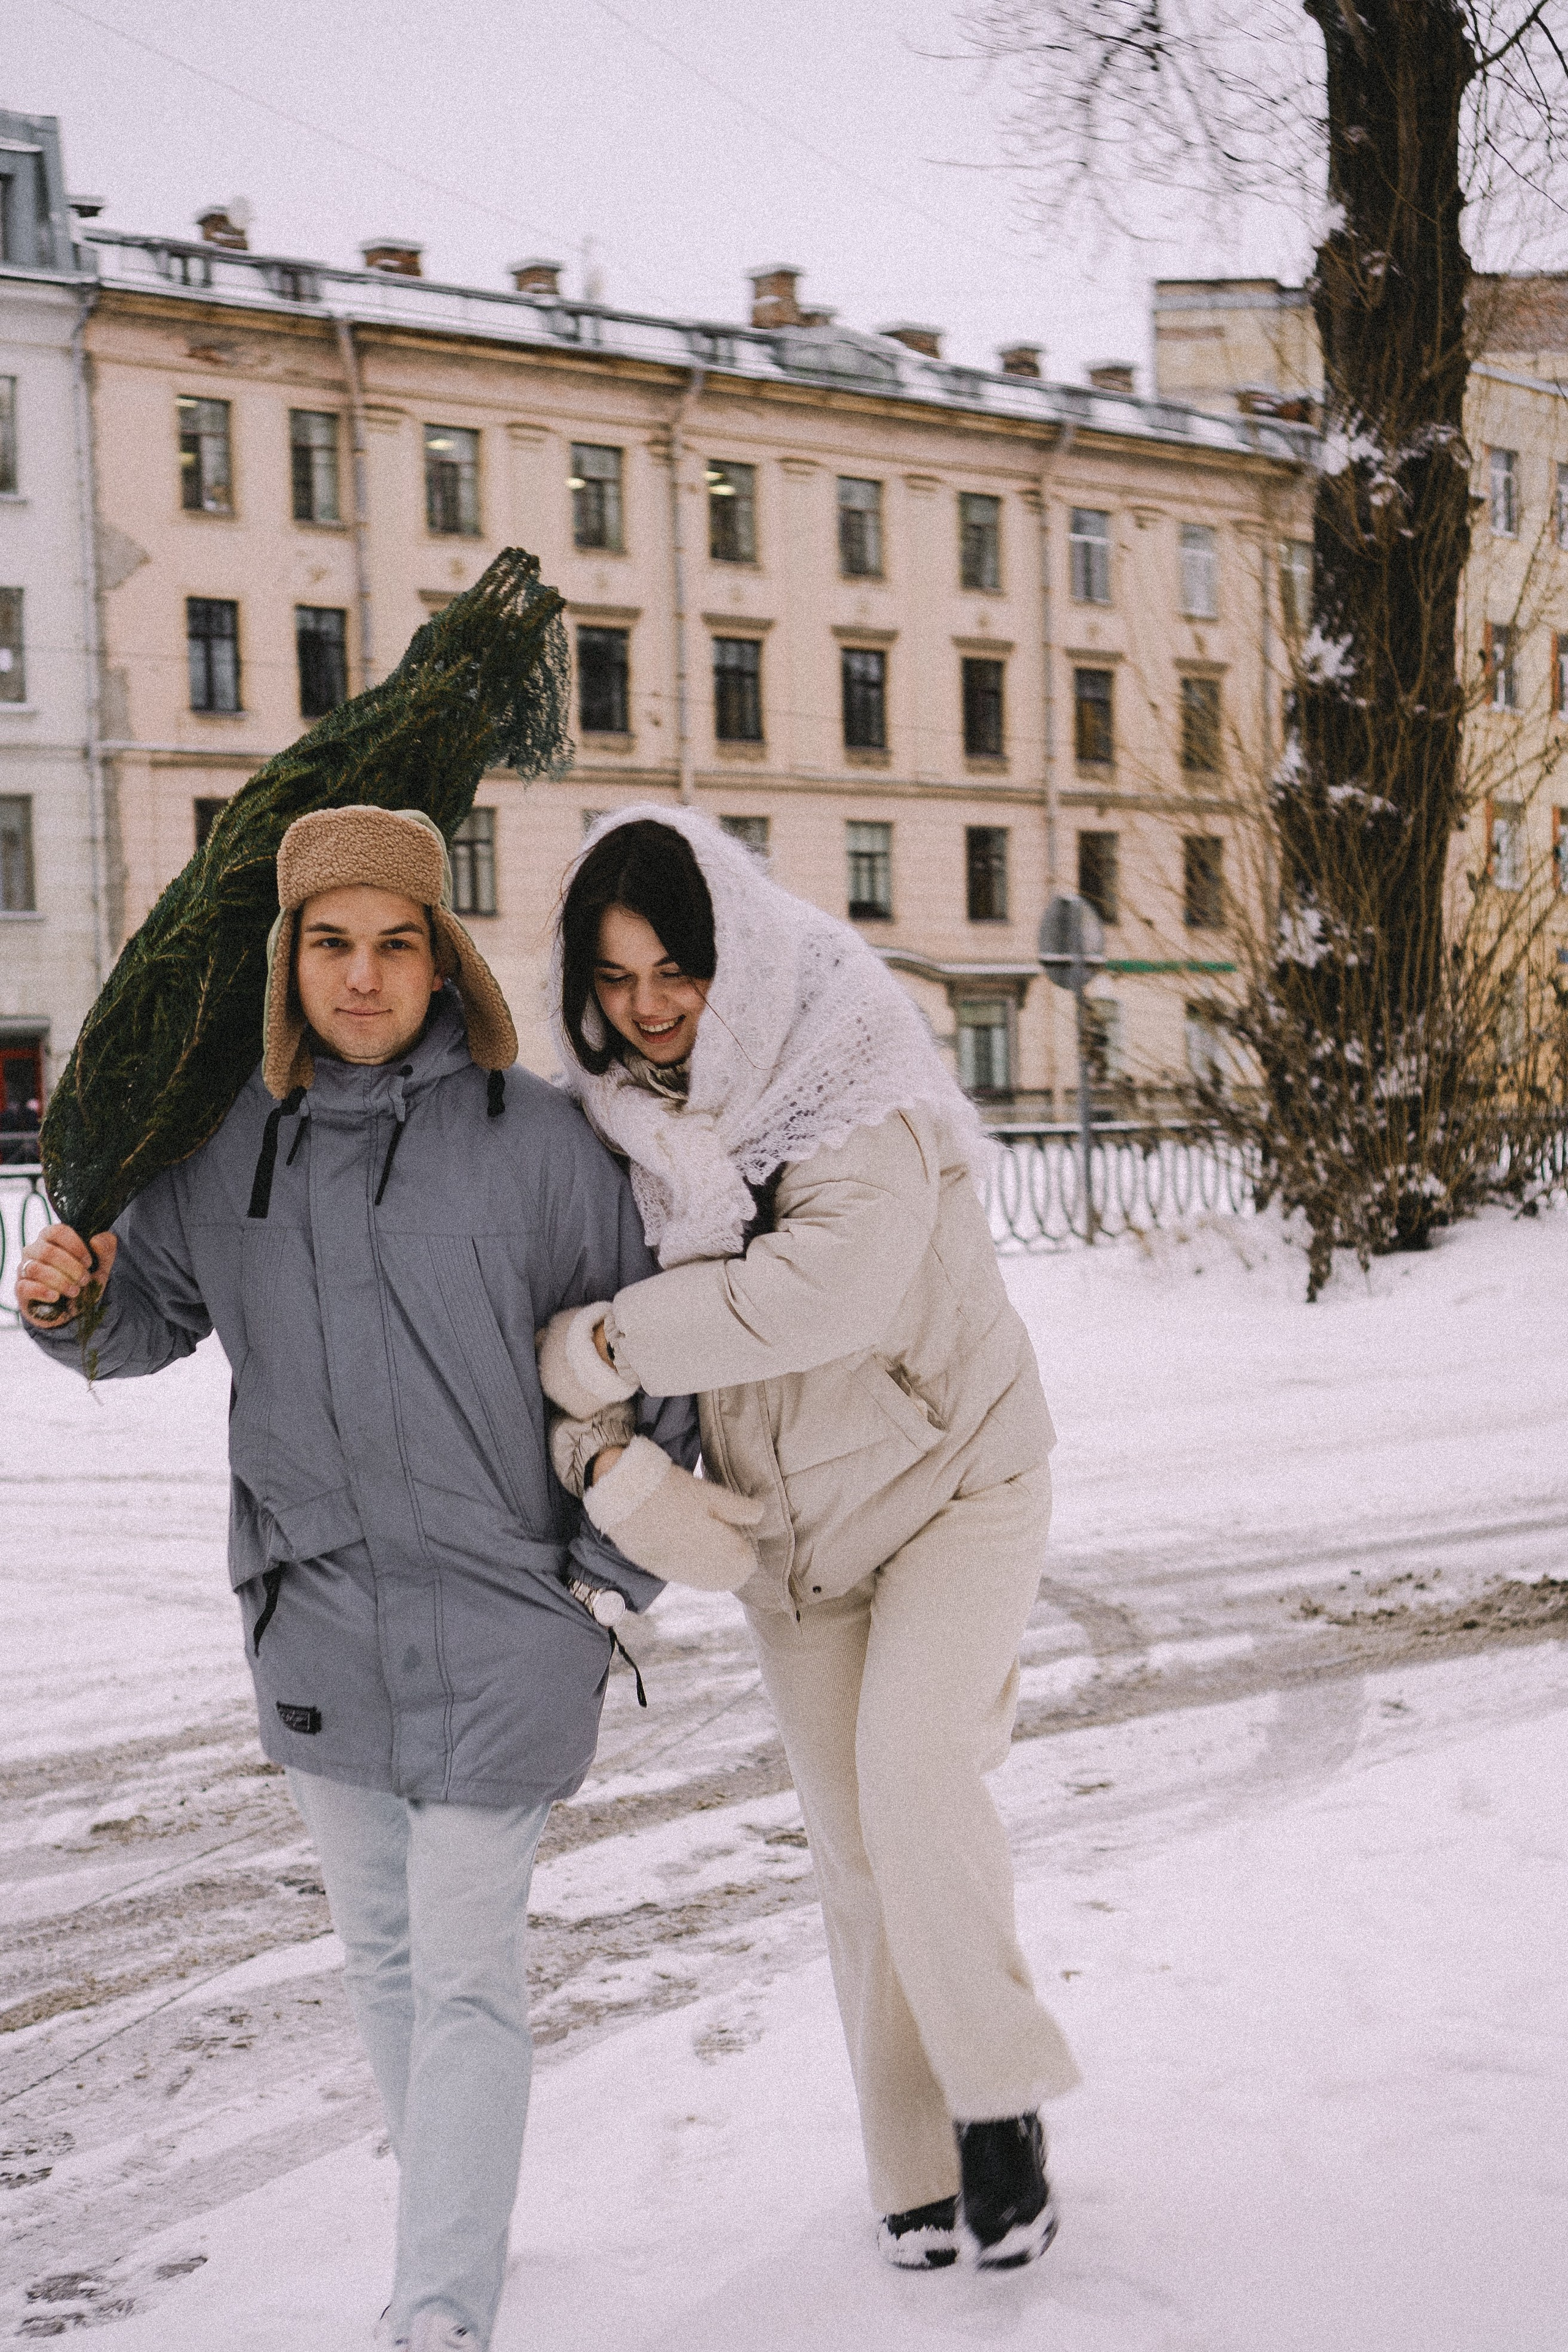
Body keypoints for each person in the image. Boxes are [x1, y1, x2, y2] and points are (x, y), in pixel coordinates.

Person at [17, 806, 756, 2352]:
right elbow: (147, 1313)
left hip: (505, 1624)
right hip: (314, 1617)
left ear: (444, 957)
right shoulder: (225, 1142)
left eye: (396, 942)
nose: (364, 976)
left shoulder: (540, 1142)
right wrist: (67, 1303)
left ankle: (439, 2313)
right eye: (332, 944)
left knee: (469, 1975)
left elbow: (657, 1365)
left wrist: (598, 1582)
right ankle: (456, 2225)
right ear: (292, 961)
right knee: (384, 1960)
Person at [535, 808, 1077, 2274]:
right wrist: (606, 1461)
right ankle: (909, 2166)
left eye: (678, 971)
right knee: (848, 1851)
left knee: (912, 1775)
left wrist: (600, 1341)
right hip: (792, 1534)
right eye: (618, 978)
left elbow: (819, 1296)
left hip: (957, 1482)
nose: (648, 1007)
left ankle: (997, 2101)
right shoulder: (612, 1127)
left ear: (740, 956)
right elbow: (541, 1343)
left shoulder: (853, 1073)